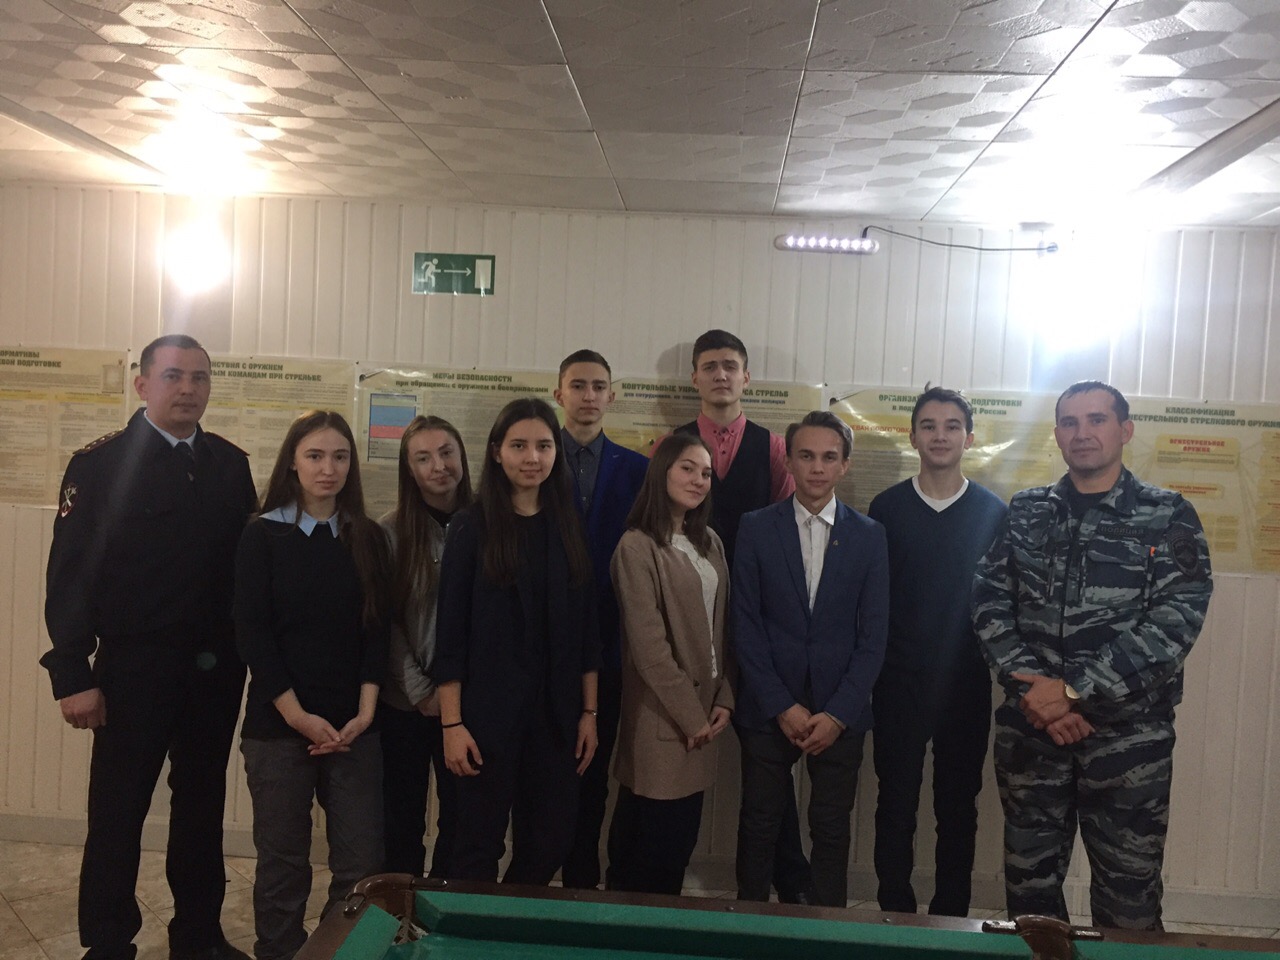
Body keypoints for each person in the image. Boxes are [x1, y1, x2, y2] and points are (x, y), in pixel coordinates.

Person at [42, 334, 258, 960]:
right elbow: (70, 576)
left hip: (215, 672)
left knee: (201, 807)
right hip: (132, 669)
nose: (188, 388)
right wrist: (72, 673)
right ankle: (109, 942)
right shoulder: (99, 465)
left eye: (199, 377)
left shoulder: (229, 464)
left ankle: (198, 935)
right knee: (118, 810)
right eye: (172, 376)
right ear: (141, 384)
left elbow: (244, 571)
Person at [973, 381, 1213, 930]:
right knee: (1030, 900)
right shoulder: (1026, 511)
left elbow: (1175, 620)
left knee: (1128, 901)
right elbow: (989, 601)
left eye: (1097, 420)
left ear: (1125, 430)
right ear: (1057, 434)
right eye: (1070, 422)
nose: (1082, 433)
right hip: (1032, 733)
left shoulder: (1166, 514)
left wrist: (1075, 691)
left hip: (1127, 742)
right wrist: (1036, 693)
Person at [234, 410, 391, 960]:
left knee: (360, 865)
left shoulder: (367, 537)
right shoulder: (262, 535)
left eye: (340, 457)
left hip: (354, 729)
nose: (329, 469)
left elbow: (378, 632)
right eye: (315, 456)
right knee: (283, 864)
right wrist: (298, 716)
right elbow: (254, 637)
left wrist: (365, 713)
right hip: (279, 728)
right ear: (292, 463)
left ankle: (335, 953)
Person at [668, 328, 811, 904]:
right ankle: (657, 881)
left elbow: (786, 531)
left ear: (747, 377)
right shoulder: (672, 445)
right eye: (710, 366)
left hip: (755, 618)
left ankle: (788, 882)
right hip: (687, 616)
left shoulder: (774, 448)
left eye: (730, 365)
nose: (721, 375)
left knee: (766, 761)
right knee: (677, 746)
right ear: (695, 378)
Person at [432, 397, 600, 884]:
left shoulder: (568, 524)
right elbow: (450, 635)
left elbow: (587, 629)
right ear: (497, 452)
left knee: (551, 840)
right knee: (477, 842)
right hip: (486, 717)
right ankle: (474, 927)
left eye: (544, 446)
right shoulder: (472, 526)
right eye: (519, 446)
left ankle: (507, 917)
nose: (533, 457)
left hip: (556, 716)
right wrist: (451, 724)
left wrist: (589, 713)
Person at [732, 410, 889, 909]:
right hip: (770, 704)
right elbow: (745, 625)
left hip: (839, 707)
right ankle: (748, 923)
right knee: (759, 821)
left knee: (831, 825)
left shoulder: (869, 535)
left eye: (828, 457)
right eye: (806, 456)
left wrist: (839, 713)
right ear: (789, 461)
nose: (817, 467)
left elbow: (873, 636)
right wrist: (782, 705)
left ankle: (827, 928)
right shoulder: (756, 527)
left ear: (845, 464)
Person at [867, 387, 1007, 916]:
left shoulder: (993, 512)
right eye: (928, 425)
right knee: (895, 803)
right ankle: (894, 912)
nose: (940, 435)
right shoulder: (887, 508)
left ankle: (951, 914)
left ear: (969, 439)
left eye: (952, 426)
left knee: (958, 807)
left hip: (965, 683)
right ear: (912, 437)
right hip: (898, 680)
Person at [606, 433, 734, 895]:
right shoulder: (636, 546)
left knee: (677, 844)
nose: (699, 480)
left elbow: (722, 629)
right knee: (648, 850)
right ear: (661, 472)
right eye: (687, 468)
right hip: (662, 716)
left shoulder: (709, 541)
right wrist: (691, 715)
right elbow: (649, 649)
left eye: (706, 473)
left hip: (704, 716)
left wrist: (725, 697)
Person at [554, 349, 650, 890]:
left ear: (612, 396)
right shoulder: (534, 459)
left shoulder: (638, 470)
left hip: (613, 647)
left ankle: (582, 882)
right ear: (559, 394)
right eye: (578, 385)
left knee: (594, 771)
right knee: (546, 773)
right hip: (545, 646)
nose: (588, 396)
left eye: (598, 386)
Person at [379, 415, 473, 878]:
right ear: (409, 469)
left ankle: (444, 905)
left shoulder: (489, 524)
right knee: (401, 819)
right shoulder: (390, 531)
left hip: (470, 703)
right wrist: (421, 691)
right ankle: (402, 910)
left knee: (462, 819)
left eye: (446, 452)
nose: (439, 466)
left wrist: (453, 696)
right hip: (405, 703)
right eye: (423, 458)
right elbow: (386, 622)